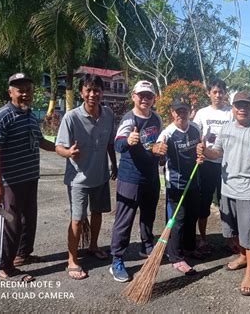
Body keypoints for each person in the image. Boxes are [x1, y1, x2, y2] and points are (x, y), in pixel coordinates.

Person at [198, 91, 250, 296]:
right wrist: (204, 151)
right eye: (238, 105)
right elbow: (217, 152)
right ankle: (243, 257)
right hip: (228, 188)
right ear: (232, 107)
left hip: (249, 190)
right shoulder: (225, 129)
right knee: (234, 230)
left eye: (246, 105)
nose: (242, 108)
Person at [0, 72, 56, 282]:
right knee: (10, 222)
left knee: (28, 219)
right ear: (10, 92)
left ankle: (22, 255)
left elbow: (41, 141)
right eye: (20, 90)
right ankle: (5, 267)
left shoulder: (29, 115)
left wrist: (63, 150)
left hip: (29, 179)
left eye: (28, 90)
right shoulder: (2, 116)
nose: (25, 94)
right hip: (9, 183)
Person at [55, 75, 117, 280]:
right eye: (88, 90)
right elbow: (58, 147)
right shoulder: (71, 117)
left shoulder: (108, 114)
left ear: (102, 92)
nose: (93, 94)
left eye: (97, 90)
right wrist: (68, 153)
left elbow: (109, 143)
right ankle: (72, 259)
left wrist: (114, 164)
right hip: (78, 180)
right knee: (77, 220)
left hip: (100, 175)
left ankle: (93, 246)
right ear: (82, 92)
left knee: (97, 213)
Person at [109, 80, 163, 282]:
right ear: (133, 96)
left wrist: (161, 153)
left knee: (148, 215)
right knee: (124, 219)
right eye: (141, 95)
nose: (145, 99)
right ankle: (117, 259)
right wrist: (128, 141)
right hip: (130, 177)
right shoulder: (129, 119)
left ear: (153, 98)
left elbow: (157, 143)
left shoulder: (156, 118)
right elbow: (118, 144)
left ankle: (147, 246)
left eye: (148, 95)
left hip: (151, 176)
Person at [154, 97, 204, 275]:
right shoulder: (167, 133)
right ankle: (175, 257)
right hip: (175, 184)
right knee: (177, 220)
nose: (181, 114)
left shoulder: (195, 128)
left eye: (184, 110)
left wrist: (201, 155)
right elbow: (157, 150)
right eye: (177, 111)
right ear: (172, 113)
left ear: (189, 111)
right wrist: (158, 150)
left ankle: (190, 248)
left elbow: (200, 147)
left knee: (192, 217)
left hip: (194, 181)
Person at [192, 78, 233, 255]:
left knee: (227, 203)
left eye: (221, 92)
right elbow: (194, 135)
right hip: (207, 164)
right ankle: (202, 238)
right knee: (204, 202)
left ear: (225, 94)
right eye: (215, 92)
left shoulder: (231, 112)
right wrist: (199, 149)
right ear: (209, 93)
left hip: (227, 164)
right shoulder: (202, 113)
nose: (218, 95)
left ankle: (230, 239)